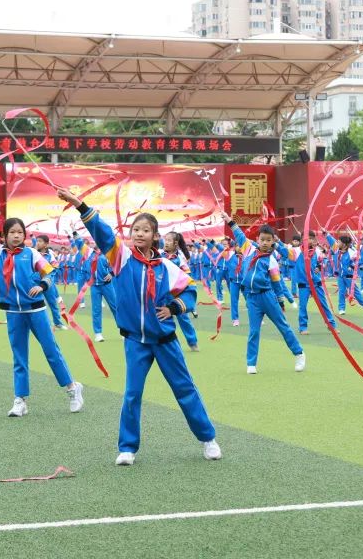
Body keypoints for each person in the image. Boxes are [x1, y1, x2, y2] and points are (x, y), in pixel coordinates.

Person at [58, 188, 220, 466]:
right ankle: (128, 447)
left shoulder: (167, 266)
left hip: (166, 341)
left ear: (156, 236)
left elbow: (190, 292)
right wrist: (79, 205)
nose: (139, 234)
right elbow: (103, 232)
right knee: (132, 393)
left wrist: (174, 308)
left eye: (146, 230)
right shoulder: (120, 258)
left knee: (184, 389)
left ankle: (208, 439)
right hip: (135, 341)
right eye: (136, 229)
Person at [0, 199, 84, 417]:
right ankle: (20, 400)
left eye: (20, 232)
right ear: (4, 236)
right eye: (12, 232)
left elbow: (50, 273)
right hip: (13, 312)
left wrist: (42, 285)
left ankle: (72, 388)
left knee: (51, 352)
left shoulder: (32, 254)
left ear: (24, 235)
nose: (16, 236)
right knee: (19, 357)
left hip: (36, 311)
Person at [226, 215, 303, 374]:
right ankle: (251, 363)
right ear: (257, 239)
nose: (265, 242)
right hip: (252, 298)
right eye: (263, 239)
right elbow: (239, 234)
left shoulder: (272, 260)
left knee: (283, 326)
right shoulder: (248, 249)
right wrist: (229, 220)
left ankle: (299, 354)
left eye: (269, 240)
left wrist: (281, 301)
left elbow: (276, 283)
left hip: (268, 297)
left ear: (273, 242)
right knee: (254, 331)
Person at [277, 231, 334, 334]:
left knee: (323, 304)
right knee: (302, 306)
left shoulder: (317, 251)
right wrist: (276, 243)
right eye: (306, 239)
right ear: (302, 240)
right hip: (304, 285)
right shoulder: (297, 251)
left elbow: (324, 261)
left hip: (316, 284)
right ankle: (303, 327)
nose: (309, 241)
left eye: (311, 238)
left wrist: (319, 266)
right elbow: (284, 251)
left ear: (314, 240)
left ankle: (331, 325)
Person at [162, 231, 200, 351]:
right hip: (162, 294)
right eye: (165, 240)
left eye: (169, 240)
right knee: (163, 317)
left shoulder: (180, 259)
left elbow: (187, 276)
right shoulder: (159, 255)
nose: (166, 243)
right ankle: (169, 344)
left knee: (183, 318)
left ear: (175, 243)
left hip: (176, 294)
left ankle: (192, 341)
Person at [326, 232, 363, 316]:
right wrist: (326, 234)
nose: (337, 243)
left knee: (355, 293)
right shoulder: (336, 250)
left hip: (349, 277)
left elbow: (359, 260)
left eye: (339, 242)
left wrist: (352, 265)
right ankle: (341, 308)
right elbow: (332, 241)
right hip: (340, 276)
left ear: (344, 244)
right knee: (341, 292)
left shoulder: (351, 252)